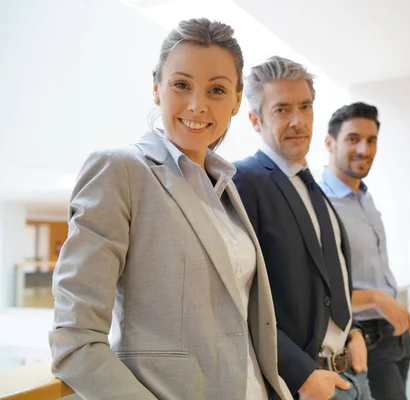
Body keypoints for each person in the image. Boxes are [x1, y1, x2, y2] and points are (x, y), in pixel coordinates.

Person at [49, 18, 291, 400]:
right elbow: (74, 341)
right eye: (181, 84)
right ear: (157, 88)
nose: (198, 104)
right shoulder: (120, 171)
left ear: (235, 101)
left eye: (216, 90)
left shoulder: (227, 189)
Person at [233, 56, 372, 400]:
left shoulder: (316, 188)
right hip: (305, 387)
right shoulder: (243, 181)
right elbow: (240, 300)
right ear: (255, 119)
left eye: (305, 106)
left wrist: (353, 334)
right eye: (281, 110)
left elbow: (331, 278)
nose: (298, 121)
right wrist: (303, 375)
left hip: (351, 374)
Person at [319, 102, 410, 400]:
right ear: (329, 143)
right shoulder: (320, 206)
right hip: (362, 335)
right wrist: (375, 297)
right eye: (353, 139)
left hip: (395, 334)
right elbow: (321, 291)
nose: (364, 148)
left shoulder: (365, 197)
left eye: (371, 140)